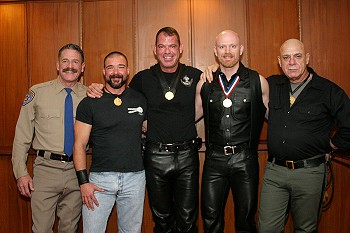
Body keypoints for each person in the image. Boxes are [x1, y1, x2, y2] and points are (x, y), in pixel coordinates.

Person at [87, 27, 202, 233]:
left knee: (187, 220)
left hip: (187, 157)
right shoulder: (141, 79)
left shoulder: (196, 76)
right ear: (155, 50)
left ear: (181, 48)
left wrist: (213, 68)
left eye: (172, 45)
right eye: (162, 46)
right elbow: (119, 97)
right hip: (155, 157)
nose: (167, 51)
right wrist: (95, 87)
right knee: (162, 220)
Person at [258, 39, 350, 232]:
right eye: (286, 57)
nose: (292, 62)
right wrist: (216, 67)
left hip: (310, 172)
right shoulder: (272, 84)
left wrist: (331, 145)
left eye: (297, 56)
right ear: (279, 61)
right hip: (275, 172)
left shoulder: (328, 91)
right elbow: (243, 79)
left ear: (307, 58)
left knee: (305, 229)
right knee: (266, 229)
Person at [195, 30, 269, 233]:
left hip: (245, 160)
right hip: (214, 160)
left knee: (245, 220)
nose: (228, 52)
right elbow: (191, 117)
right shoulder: (205, 83)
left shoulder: (258, 81)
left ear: (241, 49)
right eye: (222, 47)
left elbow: (279, 120)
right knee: (210, 219)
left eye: (233, 46)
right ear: (215, 52)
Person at [11, 43, 87, 232]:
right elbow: (22, 136)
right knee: (42, 229)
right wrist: (21, 172)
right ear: (57, 65)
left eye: (75, 61)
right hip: (46, 170)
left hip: (76, 171)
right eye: (65, 61)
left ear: (82, 67)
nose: (70, 66)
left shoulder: (89, 96)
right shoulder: (37, 93)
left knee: (69, 228)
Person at [73, 51, 147, 233]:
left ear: (128, 71)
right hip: (100, 181)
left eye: (120, 67)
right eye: (110, 67)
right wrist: (83, 182)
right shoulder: (89, 103)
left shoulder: (140, 99)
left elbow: (149, 128)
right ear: (104, 72)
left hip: (135, 179)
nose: (116, 72)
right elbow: (79, 145)